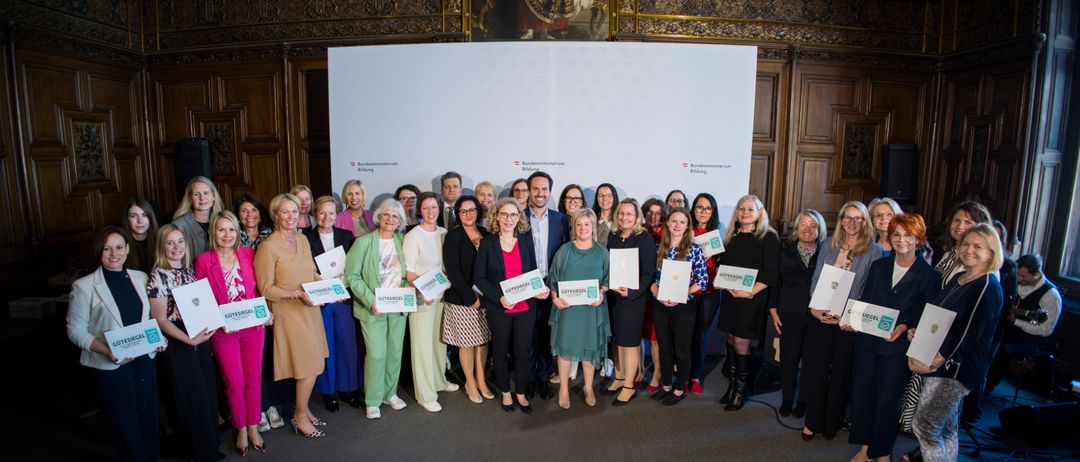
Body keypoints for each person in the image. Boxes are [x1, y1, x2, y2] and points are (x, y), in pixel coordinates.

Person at [847, 214, 941, 462]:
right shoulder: (879, 266)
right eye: (897, 235)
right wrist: (852, 318)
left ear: (918, 239)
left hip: (897, 348)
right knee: (864, 396)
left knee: (887, 402)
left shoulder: (930, 275)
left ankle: (883, 451)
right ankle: (866, 447)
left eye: (908, 235)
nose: (901, 240)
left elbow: (928, 314)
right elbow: (866, 300)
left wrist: (907, 325)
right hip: (867, 343)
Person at [67, 226, 164, 462]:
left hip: (144, 358)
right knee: (125, 420)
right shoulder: (84, 286)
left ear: (127, 249)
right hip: (111, 364)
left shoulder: (140, 277)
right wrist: (106, 350)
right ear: (99, 252)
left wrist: (158, 339)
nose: (114, 254)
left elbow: (150, 318)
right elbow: (74, 330)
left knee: (148, 414)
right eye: (107, 249)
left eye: (119, 247)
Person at [908, 224, 1004, 461]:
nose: (969, 250)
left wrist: (933, 362)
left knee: (926, 427)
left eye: (977, 246)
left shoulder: (987, 286)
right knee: (947, 428)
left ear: (991, 253)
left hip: (955, 369)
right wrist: (919, 334)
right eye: (965, 244)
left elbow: (968, 334)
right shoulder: (961, 277)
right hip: (941, 361)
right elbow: (938, 316)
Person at [802, 201, 883, 440]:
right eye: (847, 217)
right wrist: (814, 308)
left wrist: (850, 315)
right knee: (816, 370)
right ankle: (812, 421)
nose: (852, 222)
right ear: (841, 220)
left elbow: (870, 289)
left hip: (848, 321)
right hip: (822, 316)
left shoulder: (874, 251)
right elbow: (817, 278)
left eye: (858, 218)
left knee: (841, 373)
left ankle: (831, 423)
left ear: (865, 222)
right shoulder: (829, 244)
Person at [194, 211, 271, 454]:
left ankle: (253, 426)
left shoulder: (248, 254)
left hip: (253, 328)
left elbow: (259, 288)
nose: (227, 235)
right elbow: (202, 300)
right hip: (223, 331)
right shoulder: (204, 260)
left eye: (231, 230)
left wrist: (265, 311)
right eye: (221, 230)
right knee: (234, 382)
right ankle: (239, 428)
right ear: (213, 233)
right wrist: (217, 321)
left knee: (253, 379)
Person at [254, 194, 329, 438]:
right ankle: (298, 416)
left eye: (294, 212)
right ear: (276, 215)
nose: (290, 217)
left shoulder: (303, 239)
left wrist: (328, 286)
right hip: (289, 311)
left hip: (310, 307)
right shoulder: (268, 246)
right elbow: (266, 288)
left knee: (315, 361)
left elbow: (312, 272)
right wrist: (296, 294)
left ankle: (304, 410)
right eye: (285, 212)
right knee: (309, 366)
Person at [147, 224, 223, 460]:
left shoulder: (190, 271)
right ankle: (198, 452)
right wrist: (188, 340)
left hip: (200, 336)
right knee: (192, 397)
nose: (176, 247)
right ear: (162, 246)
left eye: (180, 241)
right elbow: (160, 320)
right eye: (169, 243)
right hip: (178, 340)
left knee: (208, 393)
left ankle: (210, 447)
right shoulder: (157, 276)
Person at [474, 198, 551, 413]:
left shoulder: (525, 241)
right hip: (500, 309)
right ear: (497, 216)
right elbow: (479, 278)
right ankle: (506, 393)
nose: (509, 219)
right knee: (499, 351)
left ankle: (520, 393)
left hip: (526, 308)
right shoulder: (488, 243)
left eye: (514, 215)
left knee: (523, 352)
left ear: (519, 218)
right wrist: (499, 297)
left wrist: (540, 289)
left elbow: (533, 273)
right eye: (505, 214)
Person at [345, 198, 410, 420]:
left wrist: (410, 290)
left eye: (395, 216)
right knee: (376, 354)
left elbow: (408, 273)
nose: (391, 219)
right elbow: (352, 276)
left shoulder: (402, 241)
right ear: (378, 217)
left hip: (398, 307)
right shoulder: (363, 242)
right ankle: (372, 400)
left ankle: (389, 393)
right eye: (387, 215)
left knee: (395, 353)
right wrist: (371, 299)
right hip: (372, 308)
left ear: (400, 220)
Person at [716, 194, 779, 410]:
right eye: (741, 208)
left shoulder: (768, 237)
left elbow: (771, 273)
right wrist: (720, 280)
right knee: (731, 339)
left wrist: (750, 293)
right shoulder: (731, 236)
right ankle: (732, 386)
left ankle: (741, 391)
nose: (745, 212)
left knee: (742, 341)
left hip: (751, 299)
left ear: (759, 212)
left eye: (750, 209)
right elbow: (724, 265)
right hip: (731, 298)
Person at [302, 196, 362, 413]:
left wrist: (343, 288)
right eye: (322, 213)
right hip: (321, 300)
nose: (326, 217)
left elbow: (354, 266)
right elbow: (304, 269)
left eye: (331, 213)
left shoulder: (346, 236)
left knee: (347, 344)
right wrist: (324, 285)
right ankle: (328, 392)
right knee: (326, 346)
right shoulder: (305, 238)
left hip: (344, 299)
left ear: (337, 215)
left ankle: (348, 389)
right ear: (315, 214)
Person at [548, 209, 611, 409]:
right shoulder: (564, 250)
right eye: (579, 224)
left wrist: (601, 293)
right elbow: (553, 279)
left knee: (589, 350)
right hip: (568, 310)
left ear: (593, 227)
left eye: (587, 224)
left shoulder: (602, 252)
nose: (583, 228)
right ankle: (564, 389)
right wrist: (554, 298)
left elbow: (608, 279)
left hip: (591, 309)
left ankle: (589, 388)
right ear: (574, 227)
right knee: (565, 350)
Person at [768, 209, 826, 419]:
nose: (808, 229)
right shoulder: (785, 251)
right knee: (788, 358)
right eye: (804, 225)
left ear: (820, 230)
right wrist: (773, 312)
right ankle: (787, 399)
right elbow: (776, 284)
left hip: (816, 314)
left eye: (813, 226)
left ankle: (803, 401)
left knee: (811, 361)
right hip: (789, 312)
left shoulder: (826, 253)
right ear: (797, 228)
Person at [648, 207, 709, 406]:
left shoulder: (694, 249)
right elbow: (652, 279)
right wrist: (659, 295)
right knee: (664, 348)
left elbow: (703, 281)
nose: (677, 225)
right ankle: (666, 385)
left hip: (684, 307)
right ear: (668, 224)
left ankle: (680, 388)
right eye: (674, 221)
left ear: (687, 226)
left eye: (682, 222)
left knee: (682, 350)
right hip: (661, 305)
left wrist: (682, 294)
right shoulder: (660, 247)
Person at [403, 192, 458, 412]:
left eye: (434, 207)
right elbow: (409, 273)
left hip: (441, 296)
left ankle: (439, 381)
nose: (430, 212)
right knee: (422, 346)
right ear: (420, 211)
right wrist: (423, 290)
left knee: (438, 342)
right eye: (425, 208)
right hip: (421, 298)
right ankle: (425, 394)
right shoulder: (413, 236)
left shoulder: (445, 233)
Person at [442, 195, 494, 403]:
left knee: (483, 341)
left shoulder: (486, 234)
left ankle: (482, 380)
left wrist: (488, 295)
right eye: (463, 211)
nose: (468, 214)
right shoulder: (453, 237)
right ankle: (470, 382)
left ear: (478, 212)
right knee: (467, 343)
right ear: (458, 213)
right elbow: (453, 273)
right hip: (462, 299)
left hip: (486, 297)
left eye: (472, 210)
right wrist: (471, 298)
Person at [984, 254, 1062, 394]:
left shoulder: (1051, 295)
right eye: (1018, 275)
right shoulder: (1015, 283)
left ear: (1037, 274)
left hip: (1032, 338)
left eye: (1024, 277)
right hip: (1009, 330)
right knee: (986, 339)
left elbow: (1045, 330)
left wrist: (1017, 322)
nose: (1019, 279)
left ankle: (987, 387)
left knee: (1002, 350)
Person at [606, 198, 657, 406]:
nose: (624, 217)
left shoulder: (643, 238)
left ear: (637, 217)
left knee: (629, 342)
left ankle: (629, 385)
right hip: (615, 296)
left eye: (629, 214)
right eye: (621, 213)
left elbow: (648, 272)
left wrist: (632, 291)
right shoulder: (614, 235)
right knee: (617, 340)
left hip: (634, 299)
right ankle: (618, 377)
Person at [525, 171, 569, 399]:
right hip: (526, 285)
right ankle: (529, 379)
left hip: (550, 285)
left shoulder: (560, 219)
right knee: (527, 335)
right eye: (536, 189)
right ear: (529, 191)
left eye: (544, 189)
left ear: (550, 192)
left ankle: (543, 377)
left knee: (545, 334)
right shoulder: (519, 217)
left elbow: (565, 254)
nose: (540, 193)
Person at [688, 192, 724, 395]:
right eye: (700, 207)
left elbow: (723, 264)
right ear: (693, 209)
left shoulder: (718, 236)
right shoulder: (684, 230)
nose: (703, 211)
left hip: (709, 291)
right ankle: (683, 374)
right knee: (685, 335)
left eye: (707, 208)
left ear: (713, 212)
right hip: (686, 290)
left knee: (701, 336)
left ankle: (695, 377)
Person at [934, 201, 992, 287]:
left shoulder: (978, 258)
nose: (960, 226)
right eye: (957, 220)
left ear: (980, 227)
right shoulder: (950, 251)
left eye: (968, 222)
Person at [640, 197, 665, 391]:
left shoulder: (668, 233)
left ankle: (657, 373)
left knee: (656, 336)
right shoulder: (638, 231)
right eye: (650, 212)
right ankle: (638, 370)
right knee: (638, 333)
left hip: (659, 289)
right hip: (640, 289)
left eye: (657, 213)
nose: (653, 216)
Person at [173, 176, 224, 258]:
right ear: (190, 199)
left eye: (206, 193)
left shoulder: (222, 222)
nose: (202, 198)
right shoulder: (179, 226)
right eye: (196, 194)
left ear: (213, 196)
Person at [121, 198, 159, 273]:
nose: (140, 221)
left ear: (150, 218)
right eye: (133, 216)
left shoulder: (160, 239)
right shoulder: (121, 244)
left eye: (144, 215)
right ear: (127, 220)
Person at [592, 183, 619, 248]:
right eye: (601, 195)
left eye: (609, 195)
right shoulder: (590, 219)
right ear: (596, 198)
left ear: (614, 197)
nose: (604, 199)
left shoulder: (621, 220)